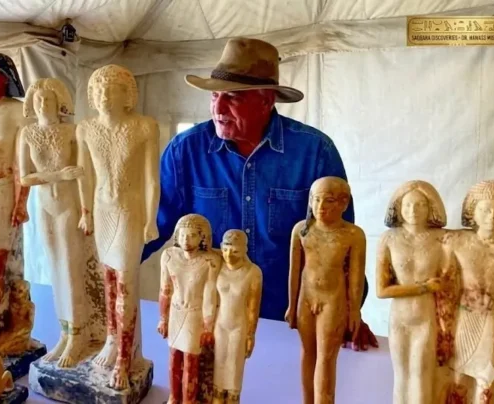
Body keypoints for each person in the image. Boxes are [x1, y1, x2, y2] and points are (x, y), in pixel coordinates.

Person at [141, 37, 378, 351]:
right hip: (211, 322)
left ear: (267, 100)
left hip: (290, 324)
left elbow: (340, 243)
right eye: (214, 95)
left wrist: (350, 311)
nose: (218, 108)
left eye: (232, 98)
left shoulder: (314, 152)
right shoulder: (185, 151)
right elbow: (153, 225)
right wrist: (107, 265)